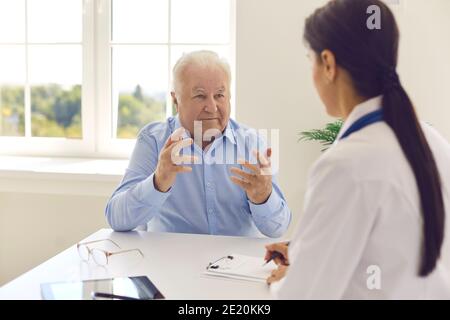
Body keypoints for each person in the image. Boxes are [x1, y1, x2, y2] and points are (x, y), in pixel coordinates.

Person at [265, 0, 450, 299]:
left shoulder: (346, 164)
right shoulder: (433, 142)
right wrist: (305, 251)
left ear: (328, 63)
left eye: (310, 59)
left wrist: (283, 282)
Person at [105, 50, 291, 237]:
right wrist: (158, 181)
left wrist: (263, 197)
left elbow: (278, 229)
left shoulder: (253, 143)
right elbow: (117, 219)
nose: (211, 107)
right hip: (170, 261)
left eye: (219, 95)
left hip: (237, 263)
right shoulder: (153, 140)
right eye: (200, 96)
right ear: (175, 99)